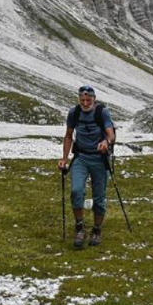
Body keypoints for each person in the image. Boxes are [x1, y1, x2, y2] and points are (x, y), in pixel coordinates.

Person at [58, 85, 115, 248]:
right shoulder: (74, 113)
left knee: (99, 197)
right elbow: (68, 136)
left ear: (94, 99)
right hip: (81, 157)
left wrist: (106, 142)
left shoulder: (102, 112)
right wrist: (64, 158)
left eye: (88, 99)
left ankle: (96, 230)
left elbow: (111, 133)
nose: (85, 102)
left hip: (99, 159)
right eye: (82, 100)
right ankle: (79, 228)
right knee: (76, 191)